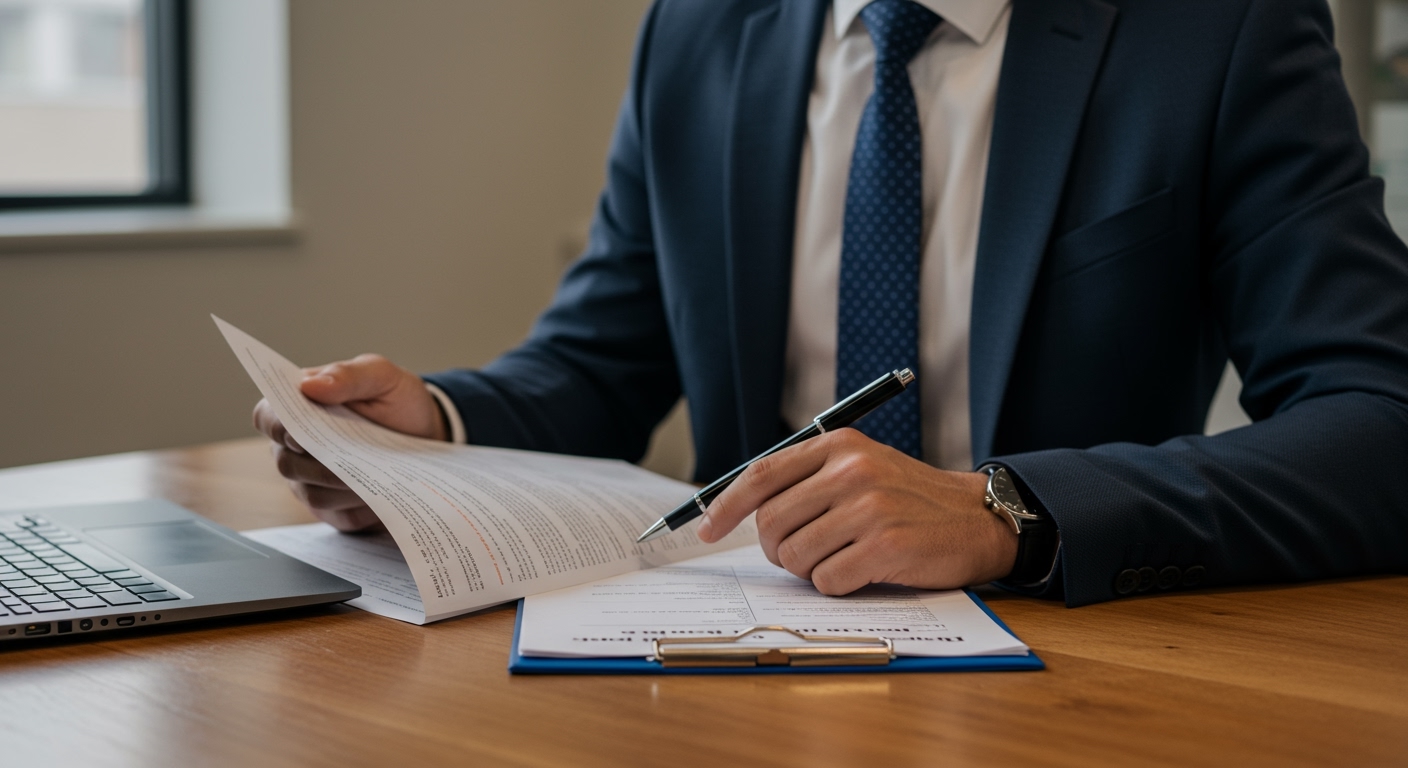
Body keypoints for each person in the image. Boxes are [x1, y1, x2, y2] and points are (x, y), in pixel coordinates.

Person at [255, 0, 1408, 607]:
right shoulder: (697, 28)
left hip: (1079, 674)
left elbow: (1382, 419)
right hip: (733, 651)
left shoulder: (1221, 27)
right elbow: (602, 361)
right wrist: (436, 428)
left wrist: (1008, 511)